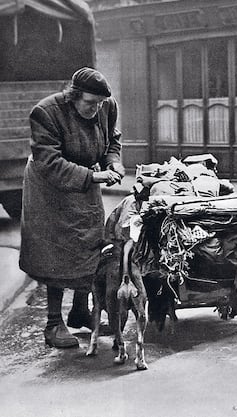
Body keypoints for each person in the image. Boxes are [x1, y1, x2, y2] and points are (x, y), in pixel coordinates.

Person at [19, 67, 125, 348]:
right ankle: (54, 324)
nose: (95, 109)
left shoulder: (105, 105)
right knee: (56, 250)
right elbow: (49, 162)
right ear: (73, 96)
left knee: (89, 243)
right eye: (90, 103)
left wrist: (113, 162)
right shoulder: (46, 112)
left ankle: (81, 310)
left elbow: (112, 140)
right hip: (48, 187)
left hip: (85, 181)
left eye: (99, 103)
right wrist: (94, 176)